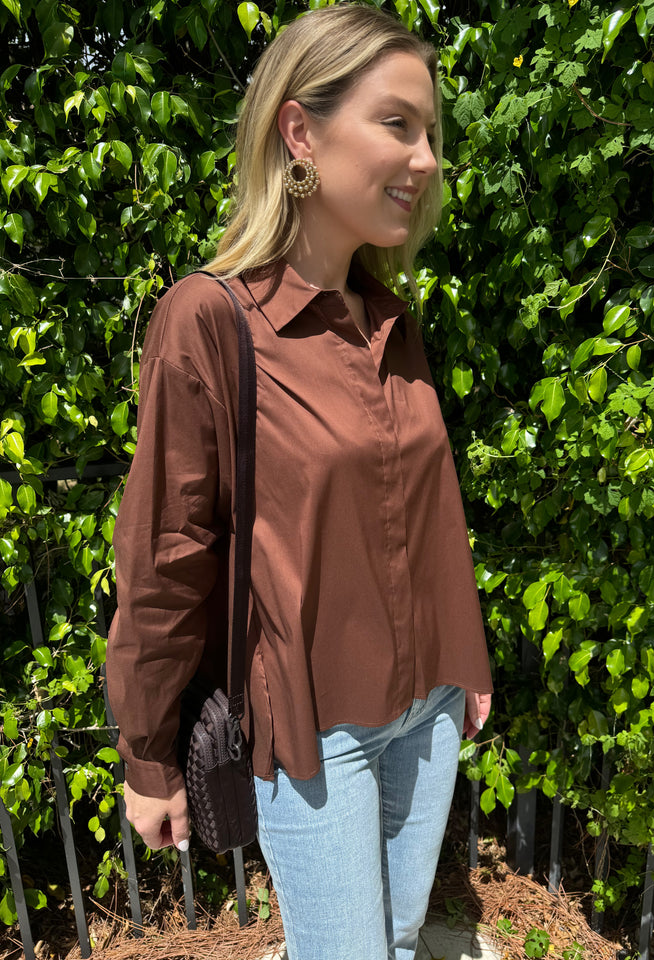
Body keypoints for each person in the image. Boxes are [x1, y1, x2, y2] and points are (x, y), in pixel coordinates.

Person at [106, 5, 493, 958]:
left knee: (400, 940)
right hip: (315, 736)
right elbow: (167, 553)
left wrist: (465, 665)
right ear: (300, 132)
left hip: (430, 707)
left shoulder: (390, 321)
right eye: (399, 123)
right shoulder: (211, 321)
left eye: (432, 134)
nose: (428, 159)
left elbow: (426, 511)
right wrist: (148, 756)